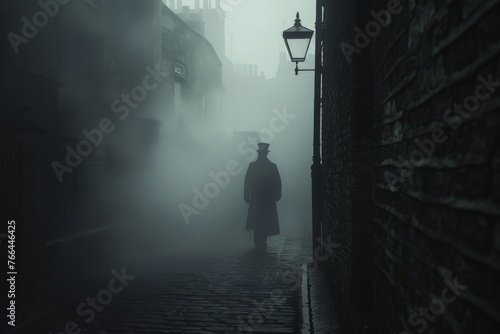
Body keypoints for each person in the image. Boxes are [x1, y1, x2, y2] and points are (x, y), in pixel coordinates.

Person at [244, 143, 281, 252]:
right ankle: (262, 242)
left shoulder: (253, 166)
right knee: (265, 219)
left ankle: (258, 242)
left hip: (256, 197)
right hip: (268, 198)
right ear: (266, 154)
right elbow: (277, 183)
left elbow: (247, 182)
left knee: (257, 219)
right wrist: (277, 196)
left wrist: (247, 195)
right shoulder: (272, 166)